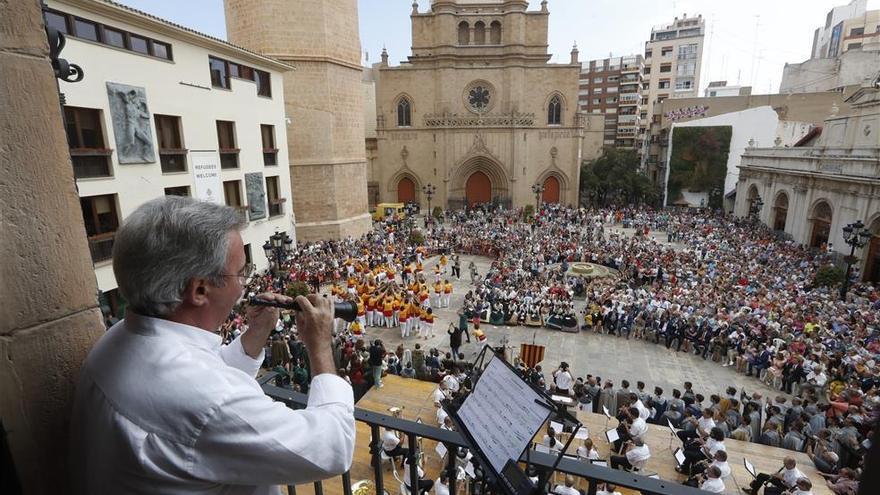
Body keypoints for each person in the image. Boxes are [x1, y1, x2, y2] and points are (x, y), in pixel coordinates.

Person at [70, 196, 355, 494]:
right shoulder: (210, 399)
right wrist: (320, 345)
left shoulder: (115, 340)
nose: (244, 285)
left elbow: (200, 378)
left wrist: (255, 335)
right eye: (241, 272)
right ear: (200, 289)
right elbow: (330, 447)